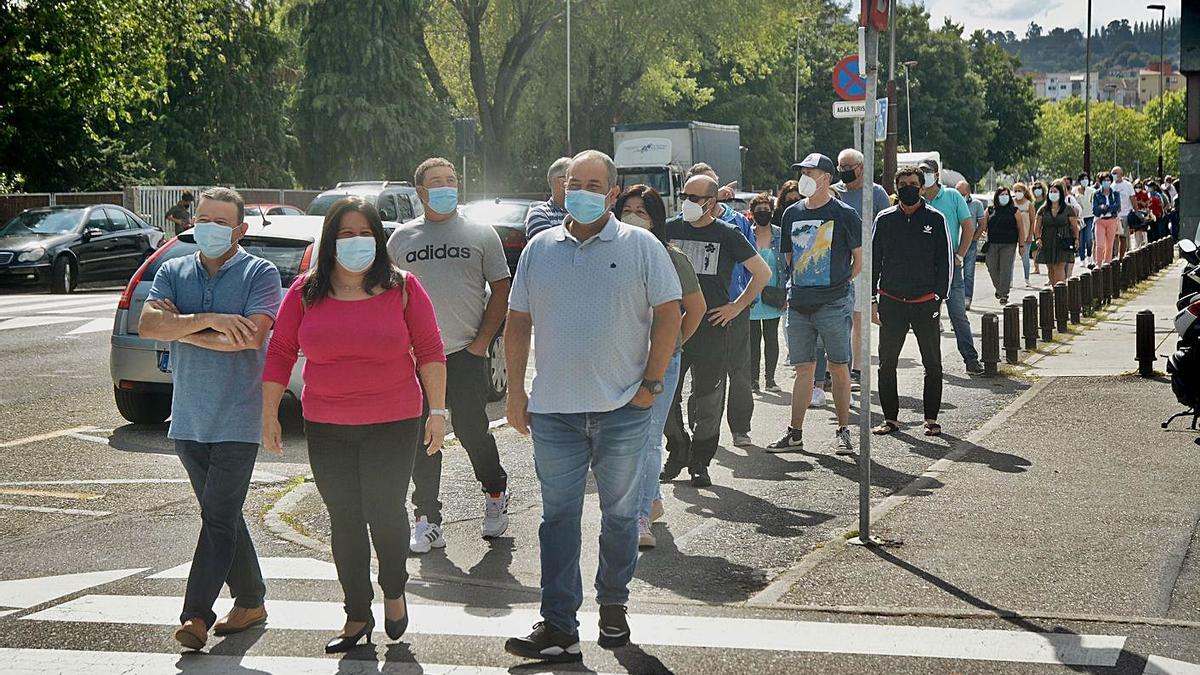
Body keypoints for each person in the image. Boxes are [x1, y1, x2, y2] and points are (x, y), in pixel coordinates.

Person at [503, 150, 682, 661]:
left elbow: (669, 315)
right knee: (557, 519)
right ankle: (558, 622)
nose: (580, 189)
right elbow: (518, 322)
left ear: (611, 192)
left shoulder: (641, 245)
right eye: (572, 181)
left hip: (623, 408)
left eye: (593, 183)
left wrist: (650, 385)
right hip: (555, 411)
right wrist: (516, 391)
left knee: (621, 517)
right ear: (561, 187)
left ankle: (613, 608)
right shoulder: (540, 248)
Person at [262, 197, 447, 652]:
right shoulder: (305, 291)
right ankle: (356, 615)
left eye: (364, 233)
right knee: (344, 519)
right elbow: (281, 351)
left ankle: (394, 588)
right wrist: (268, 412)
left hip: (394, 419)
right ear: (330, 241)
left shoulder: (403, 288)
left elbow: (430, 350)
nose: (355, 242)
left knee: (384, 512)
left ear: (378, 239)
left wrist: (438, 412)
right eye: (345, 234)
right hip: (326, 424)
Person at [138, 187, 282, 651]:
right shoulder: (172, 269)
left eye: (221, 222)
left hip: (239, 418)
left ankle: (195, 616)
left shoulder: (260, 273)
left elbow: (248, 339)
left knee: (218, 519)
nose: (209, 228)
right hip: (189, 418)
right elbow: (148, 326)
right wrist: (212, 320)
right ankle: (252, 599)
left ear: (240, 229)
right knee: (223, 515)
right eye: (203, 219)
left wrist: (184, 330)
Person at [386, 157, 513, 554]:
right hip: (417, 358)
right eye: (436, 182)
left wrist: (481, 344)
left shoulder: (480, 233)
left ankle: (495, 493)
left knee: (474, 431)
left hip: (465, 353)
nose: (445, 187)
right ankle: (427, 519)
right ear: (421, 192)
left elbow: (502, 290)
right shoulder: (401, 239)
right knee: (423, 435)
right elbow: (387, 296)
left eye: (451, 180)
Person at [662, 174, 769, 486]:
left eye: (694, 198)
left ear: (711, 201)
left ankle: (700, 460)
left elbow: (762, 272)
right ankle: (677, 448)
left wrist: (737, 306)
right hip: (673, 326)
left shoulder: (728, 233)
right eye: (685, 195)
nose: (688, 203)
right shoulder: (670, 229)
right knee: (666, 394)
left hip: (712, 326)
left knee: (708, 399)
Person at [614, 184, 705, 549]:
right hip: (617, 359)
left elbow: (695, 309)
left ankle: (640, 517)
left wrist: (672, 344)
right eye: (628, 209)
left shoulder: (671, 257)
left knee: (648, 439)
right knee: (622, 441)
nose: (633, 216)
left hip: (661, 362)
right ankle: (650, 501)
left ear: (656, 219)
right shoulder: (607, 252)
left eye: (642, 211)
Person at [766, 153, 862, 455]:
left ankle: (844, 431)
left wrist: (840, 284)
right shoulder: (791, 213)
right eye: (802, 171)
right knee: (803, 369)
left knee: (838, 367)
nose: (804, 177)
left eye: (811, 172)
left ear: (827, 178)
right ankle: (795, 433)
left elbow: (858, 260)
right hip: (799, 303)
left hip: (833, 302)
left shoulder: (845, 214)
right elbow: (790, 260)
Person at [870, 167, 951, 437]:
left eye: (913, 184)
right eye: (903, 184)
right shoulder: (884, 219)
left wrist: (939, 297)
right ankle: (890, 419)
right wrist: (873, 298)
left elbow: (945, 262)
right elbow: (873, 262)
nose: (908, 188)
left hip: (925, 301)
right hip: (891, 301)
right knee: (886, 363)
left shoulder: (936, 219)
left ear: (922, 187)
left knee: (933, 363)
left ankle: (931, 419)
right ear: (895, 187)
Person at [686, 162, 757, 448]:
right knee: (699, 374)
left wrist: (740, 304)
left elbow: (755, 266)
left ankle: (740, 428)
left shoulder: (737, 222)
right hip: (695, 310)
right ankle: (697, 429)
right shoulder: (681, 222)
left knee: (739, 371)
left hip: (733, 306)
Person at [918, 158, 983, 376]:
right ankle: (932, 363)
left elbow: (968, 226)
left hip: (950, 265)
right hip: (925, 267)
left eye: (927, 172)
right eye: (921, 172)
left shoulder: (953, 196)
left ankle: (971, 359)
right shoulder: (915, 199)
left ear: (937, 175)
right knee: (929, 319)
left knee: (957, 314)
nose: (924, 176)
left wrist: (960, 255)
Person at [832, 148, 890, 390]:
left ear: (862, 168)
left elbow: (887, 229)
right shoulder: (834, 192)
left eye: (849, 168)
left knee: (859, 319)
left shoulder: (876, 194)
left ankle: (857, 370)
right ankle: (837, 369)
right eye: (841, 168)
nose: (845, 172)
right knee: (838, 319)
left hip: (866, 264)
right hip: (839, 262)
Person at [747, 193, 784, 393]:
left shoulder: (779, 234)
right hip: (751, 295)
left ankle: (770, 379)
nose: (763, 214)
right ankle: (753, 380)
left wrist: (785, 293)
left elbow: (786, 267)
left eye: (766, 210)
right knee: (753, 341)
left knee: (771, 338)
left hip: (773, 293)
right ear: (752, 214)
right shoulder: (747, 234)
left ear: (772, 212)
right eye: (758, 211)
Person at [977, 186, 1025, 305]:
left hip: (1009, 244)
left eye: (1006, 194)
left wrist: (1022, 245)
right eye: (1001, 194)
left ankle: (1004, 293)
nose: (1004, 197)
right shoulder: (990, 210)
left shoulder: (1015, 211)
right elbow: (983, 225)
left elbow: (1020, 228)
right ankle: (999, 288)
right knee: (991, 266)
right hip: (992, 243)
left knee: (1005, 269)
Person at [1034, 180, 1080, 288]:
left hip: (1063, 240)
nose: (1052, 194)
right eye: (1051, 192)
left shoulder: (1068, 209)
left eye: (1055, 192)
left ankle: (1061, 292)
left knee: (1059, 267)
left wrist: (1076, 239)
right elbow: (1037, 227)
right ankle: (1054, 289)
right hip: (1047, 240)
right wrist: (1038, 238)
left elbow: (1074, 226)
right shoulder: (1043, 210)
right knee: (1051, 268)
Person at [955, 181, 986, 311]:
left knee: (968, 272)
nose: (959, 195)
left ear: (968, 192)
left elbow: (982, 223)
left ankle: (967, 298)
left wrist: (974, 238)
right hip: (955, 242)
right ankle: (955, 298)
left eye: (961, 193)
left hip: (970, 244)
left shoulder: (976, 204)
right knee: (955, 272)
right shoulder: (953, 202)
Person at [524, 156, 571, 239]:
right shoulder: (539, 215)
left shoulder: (583, 213)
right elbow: (547, 248)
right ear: (561, 182)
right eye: (574, 180)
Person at [1012, 182, 1037, 287]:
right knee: (1011, 258)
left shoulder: (1029, 204)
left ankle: (1026, 278)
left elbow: (1033, 221)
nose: (1018, 193)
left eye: (1020, 191)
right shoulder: (1012, 204)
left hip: (1026, 234)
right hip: (1013, 234)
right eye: (1015, 191)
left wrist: (1030, 235)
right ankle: (1010, 280)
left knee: (1025, 257)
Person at [1093, 174, 1121, 266]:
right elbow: (1095, 210)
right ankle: (1098, 264)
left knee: (1109, 245)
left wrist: (1105, 207)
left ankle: (1107, 263)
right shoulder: (1096, 194)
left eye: (1108, 180)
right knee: (1100, 245)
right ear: (1101, 182)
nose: (1107, 182)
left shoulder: (1115, 194)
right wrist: (1101, 208)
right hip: (1100, 221)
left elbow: (1117, 207)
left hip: (1112, 220)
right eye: (1104, 180)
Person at [1111, 166, 1136, 259]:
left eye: (1115, 173)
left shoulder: (1128, 185)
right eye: (1112, 173)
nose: (1114, 175)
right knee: (1114, 237)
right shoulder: (1111, 186)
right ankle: (1113, 255)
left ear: (1121, 174)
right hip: (1113, 215)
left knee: (1123, 237)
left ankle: (1121, 257)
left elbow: (1132, 198)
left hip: (1125, 214)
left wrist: (1135, 210)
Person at [1074, 173, 1097, 267]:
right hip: (1079, 218)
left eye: (1086, 179)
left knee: (1088, 237)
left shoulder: (1092, 191)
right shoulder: (1074, 191)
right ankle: (1082, 258)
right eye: (1083, 179)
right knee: (1081, 239)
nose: (1085, 180)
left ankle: (1089, 256)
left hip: (1090, 216)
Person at [1129, 180, 1153, 250]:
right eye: (1136, 186)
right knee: (1137, 230)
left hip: (1143, 213)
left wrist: (1143, 203)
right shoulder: (1132, 194)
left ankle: (1144, 244)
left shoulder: (1144, 193)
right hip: (1135, 214)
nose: (1138, 188)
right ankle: (1137, 246)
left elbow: (1148, 204)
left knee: (1144, 230)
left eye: (1139, 187)